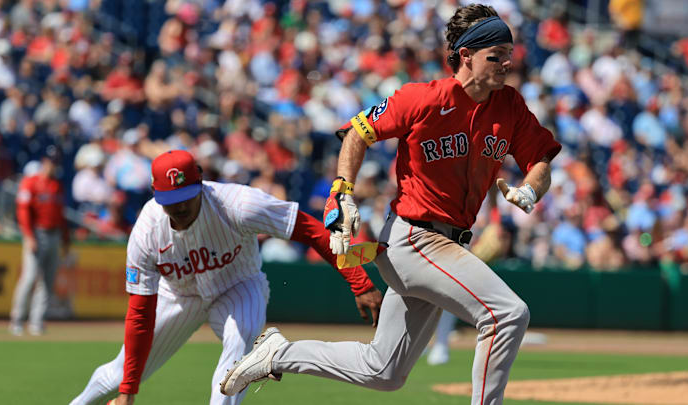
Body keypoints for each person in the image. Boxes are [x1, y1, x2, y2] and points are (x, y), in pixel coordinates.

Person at [221, 5, 561, 405]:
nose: (507, 62)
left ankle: (278, 354)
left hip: (447, 245)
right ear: (466, 55)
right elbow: (356, 133)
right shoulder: (423, 98)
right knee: (507, 314)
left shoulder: (510, 106)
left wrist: (532, 190)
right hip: (415, 239)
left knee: (382, 371)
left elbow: (540, 159)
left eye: (509, 53)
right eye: (496, 54)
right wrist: (342, 191)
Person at [70, 150, 382, 405]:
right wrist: (128, 391)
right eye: (170, 200)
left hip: (238, 285)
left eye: (185, 196)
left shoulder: (239, 205)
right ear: (154, 194)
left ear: (201, 182)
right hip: (178, 295)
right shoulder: (146, 232)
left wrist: (360, 281)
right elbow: (140, 315)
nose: (178, 206)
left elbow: (311, 230)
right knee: (118, 374)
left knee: (238, 348)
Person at [10, 145, 70, 336]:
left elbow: (61, 216)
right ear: (44, 162)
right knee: (29, 277)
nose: (53, 165)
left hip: (54, 235)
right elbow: (23, 211)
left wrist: (65, 239)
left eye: (55, 162)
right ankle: (17, 319)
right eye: (51, 162)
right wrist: (28, 236)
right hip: (37, 233)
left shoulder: (57, 185)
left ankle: (37, 321)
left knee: (48, 281)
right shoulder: (31, 182)